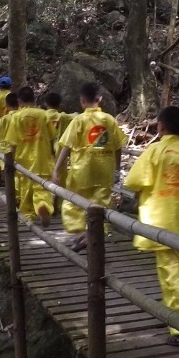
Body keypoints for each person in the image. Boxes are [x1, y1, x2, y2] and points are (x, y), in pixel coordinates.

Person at [125, 105, 179, 347]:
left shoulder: (155, 151)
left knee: (172, 277)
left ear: (160, 126)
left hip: (163, 222)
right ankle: (178, 312)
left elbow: (133, 181)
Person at [54, 82, 127, 249]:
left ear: (82, 101)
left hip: (82, 170)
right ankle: (91, 236)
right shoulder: (109, 120)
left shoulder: (79, 120)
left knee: (73, 203)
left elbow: (67, 146)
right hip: (105, 170)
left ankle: (81, 234)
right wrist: (117, 169)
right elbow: (117, 146)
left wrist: (57, 168)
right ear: (100, 100)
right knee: (100, 205)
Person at [0, 86, 56, 225]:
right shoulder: (44, 115)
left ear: (19, 101)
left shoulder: (16, 117)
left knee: (25, 191)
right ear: (34, 99)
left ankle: (28, 216)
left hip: (24, 159)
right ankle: (43, 205)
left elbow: (12, 141)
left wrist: (11, 158)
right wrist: (52, 153)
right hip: (42, 158)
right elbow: (52, 136)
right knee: (41, 188)